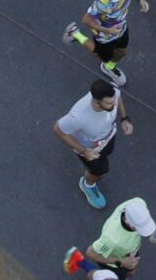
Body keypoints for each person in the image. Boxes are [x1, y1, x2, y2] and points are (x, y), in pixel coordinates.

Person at [55, 78, 131, 209]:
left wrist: (124, 118)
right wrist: (84, 151)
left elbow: (118, 98)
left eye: (113, 102)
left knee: (108, 154)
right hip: (90, 150)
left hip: (109, 137)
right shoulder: (78, 117)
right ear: (96, 103)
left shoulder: (113, 92)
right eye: (109, 104)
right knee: (101, 173)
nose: (114, 106)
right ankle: (87, 185)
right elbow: (58, 130)